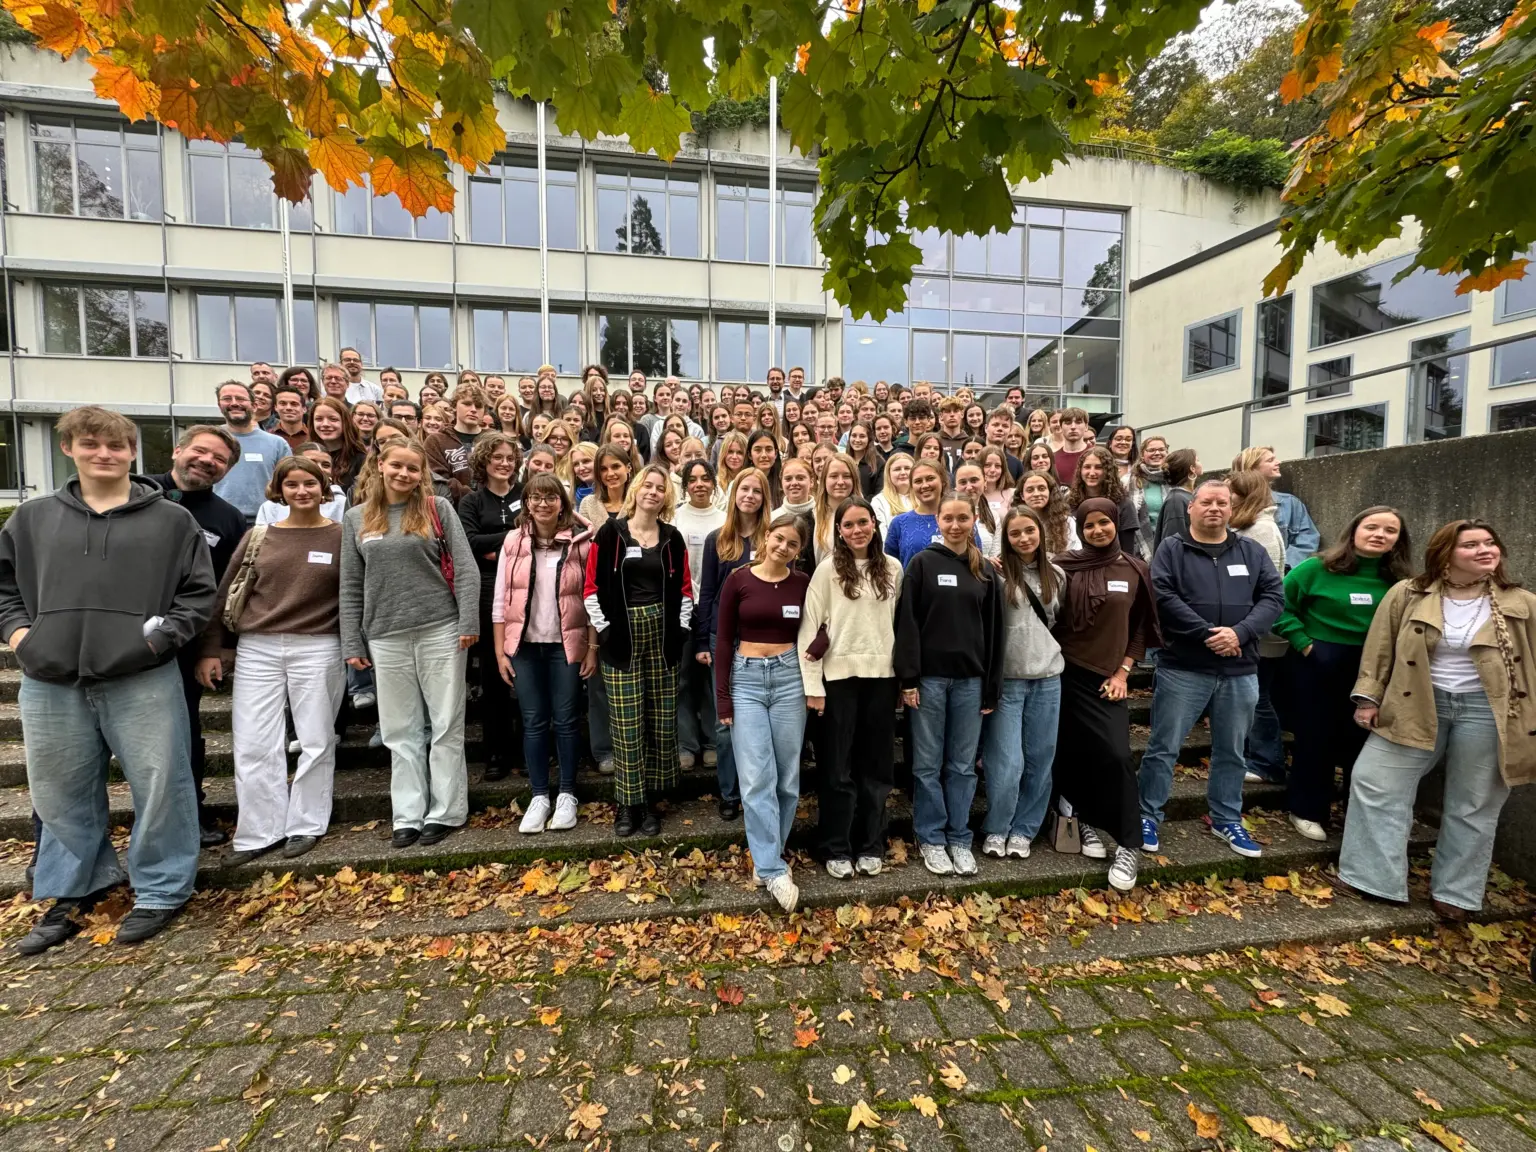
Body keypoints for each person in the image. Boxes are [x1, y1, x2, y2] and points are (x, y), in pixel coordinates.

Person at [2, 407, 216, 953]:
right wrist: (21, 637)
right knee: (59, 790)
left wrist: (156, 641)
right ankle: (73, 891)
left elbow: (197, 594)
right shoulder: (32, 518)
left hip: (140, 674)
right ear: (68, 448)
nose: (105, 453)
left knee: (160, 783)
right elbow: (4, 588)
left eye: (116, 446)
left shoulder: (171, 521)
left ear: (132, 453)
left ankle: (163, 889)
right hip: (50, 677)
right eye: (92, 444)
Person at [1341, 519, 1536, 920]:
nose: (1485, 550)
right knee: (1376, 781)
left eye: (1490, 543)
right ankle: (1373, 877)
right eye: (1471, 545)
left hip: (1489, 710)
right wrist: (1368, 698)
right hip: (1414, 702)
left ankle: (1457, 893)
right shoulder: (1410, 594)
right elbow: (1379, 648)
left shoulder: (1521, 602)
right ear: (1445, 554)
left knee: (1474, 803)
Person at [198, 455, 344, 865]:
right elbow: (228, 591)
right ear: (279, 490)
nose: (302, 491)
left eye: (310, 483)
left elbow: (352, 594)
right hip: (258, 645)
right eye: (293, 484)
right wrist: (215, 647)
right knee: (253, 740)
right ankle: (259, 831)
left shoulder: (340, 535)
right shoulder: (259, 535)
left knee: (315, 739)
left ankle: (306, 823)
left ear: (323, 487)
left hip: (318, 643)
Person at [340, 439, 480, 849]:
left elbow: (467, 569)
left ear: (422, 473)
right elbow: (350, 585)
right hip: (385, 633)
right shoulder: (356, 519)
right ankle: (407, 814)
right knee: (400, 729)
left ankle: (446, 810)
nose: (404, 474)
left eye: (412, 468)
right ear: (380, 466)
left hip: (440, 627)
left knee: (445, 723)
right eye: (396, 466)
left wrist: (467, 621)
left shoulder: (438, 509)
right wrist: (353, 641)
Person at [1138, 478, 1284, 860]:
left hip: (1239, 668)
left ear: (1231, 510)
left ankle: (1225, 817)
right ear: (1191, 507)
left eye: (1222, 503)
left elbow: (1273, 596)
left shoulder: (1250, 552)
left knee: (1232, 750)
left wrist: (1241, 633)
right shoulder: (1171, 550)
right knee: (1163, 747)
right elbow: (1163, 595)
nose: (1214, 508)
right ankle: (1147, 814)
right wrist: (1206, 633)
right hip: (1184, 666)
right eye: (1206, 502)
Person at [1274, 505, 1411, 841]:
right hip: (1317, 664)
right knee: (1315, 737)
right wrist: (1305, 643)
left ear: (1398, 540)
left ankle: (1359, 812)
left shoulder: (1401, 581)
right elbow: (1277, 604)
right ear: (1354, 531)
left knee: (1364, 742)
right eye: (1372, 527)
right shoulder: (1316, 569)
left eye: (1390, 531)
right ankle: (1307, 809)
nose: (1380, 535)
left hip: (1373, 669)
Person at [894, 491, 1005, 877]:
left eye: (962, 518)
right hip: (929, 681)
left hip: (970, 681)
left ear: (974, 519)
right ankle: (931, 837)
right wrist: (907, 678)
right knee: (926, 764)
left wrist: (991, 685)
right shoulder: (922, 564)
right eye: (948, 519)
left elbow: (995, 633)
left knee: (961, 765)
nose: (955, 525)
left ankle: (959, 836)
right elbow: (906, 624)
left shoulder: (985, 571)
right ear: (937, 522)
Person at [1051, 498, 1159, 893]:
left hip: (1105, 679)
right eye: (1089, 525)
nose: (1097, 530)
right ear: (1079, 528)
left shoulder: (1134, 569)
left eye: (1103, 523)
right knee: (1070, 753)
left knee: (1115, 755)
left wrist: (1124, 671)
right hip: (1061, 673)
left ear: (1116, 524)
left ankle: (1129, 842)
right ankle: (1082, 820)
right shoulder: (1064, 566)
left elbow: (1142, 628)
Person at [147, 425, 247, 848]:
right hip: (111, 634)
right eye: (202, 452)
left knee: (185, 730)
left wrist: (213, 648)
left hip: (183, 643)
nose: (208, 462)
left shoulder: (227, 518)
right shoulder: (138, 493)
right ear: (178, 450)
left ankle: (193, 812)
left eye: (219, 459)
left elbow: (220, 591)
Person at [584, 465, 692, 837]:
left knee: (661, 720)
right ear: (636, 489)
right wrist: (607, 630)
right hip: (622, 637)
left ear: (667, 496)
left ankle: (651, 799)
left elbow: (686, 589)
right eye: (647, 484)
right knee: (628, 724)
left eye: (660, 487)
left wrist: (680, 630)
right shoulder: (611, 533)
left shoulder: (672, 538)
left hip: (663, 636)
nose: (653, 491)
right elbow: (591, 587)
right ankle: (628, 804)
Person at [800, 496, 902, 879]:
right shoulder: (826, 571)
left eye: (863, 522)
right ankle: (835, 846)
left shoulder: (893, 569)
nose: (857, 530)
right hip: (837, 681)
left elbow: (899, 626)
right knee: (837, 769)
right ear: (839, 532)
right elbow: (810, 631)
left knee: (875, 769)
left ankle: (870, 844)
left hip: (881, 679)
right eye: (849, 525)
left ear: (875, 524)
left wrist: (903, 679)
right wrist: (814, 686)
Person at [715, 513, 812, 911]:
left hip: (791, 678)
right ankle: (772, 868)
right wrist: (723, 697)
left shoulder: (803, 584)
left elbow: (820, 625)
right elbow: (722, 640)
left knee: (787, 780)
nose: (783, 547)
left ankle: (769, 852)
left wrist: (818, 646)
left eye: (792, 544)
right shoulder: (738, 580)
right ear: (766, 536)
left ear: (799, 551)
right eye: (779, 538)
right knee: (756, 779)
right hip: (747, 680)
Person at [492, 473, 596, 834]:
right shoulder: (513, 542)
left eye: (551, 497)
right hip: (524, 647)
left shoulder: (580, 543)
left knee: (566, 720)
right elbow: (500, 601)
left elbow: (591, 598)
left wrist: (592, 647)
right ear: (527, 503)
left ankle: (567, 793)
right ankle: (539, 795)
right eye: (535, 497)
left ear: (563, 504)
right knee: (533, 721)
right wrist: (500, 650)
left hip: (565, 645)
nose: (542, 504)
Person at [980, 505, 1064, 859]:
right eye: (1015, 533)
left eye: (1029, 531)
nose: (1023, 538)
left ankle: (1025, 829)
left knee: (1040, 758)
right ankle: (998, 826)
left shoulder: (1056, 574)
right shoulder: (996, 577)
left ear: (1040, 532)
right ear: (1006, 539)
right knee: (1006, 762)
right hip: (1010, 681)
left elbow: (1059, 620)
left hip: (1047, 678)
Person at [696, 468, 770, 819]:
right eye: (744, 488)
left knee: (759, 723)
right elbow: (707, 592)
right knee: (726, 722)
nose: (750, 495)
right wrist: (702, 641)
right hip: (721, 639)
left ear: (764, 498)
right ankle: (729, 792)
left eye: (757, 490)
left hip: (763, 640)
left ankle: (758, 789)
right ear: (735, 493)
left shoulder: (773, 537)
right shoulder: (718, 539)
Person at [458, 433, 525, 782]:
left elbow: (537, 532)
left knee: (524, 675)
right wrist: (512, 540)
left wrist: (495, 548)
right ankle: (496, 753)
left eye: (510, 458)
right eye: (497, 457)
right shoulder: (471, 501)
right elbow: (467, 543)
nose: (504, 463)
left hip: (527, 591)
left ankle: (527, 749)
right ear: (484, 460)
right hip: (486, 593)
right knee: (493, 679)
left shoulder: (525, 496)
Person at [1228, 469, 1290, 787]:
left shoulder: (1260, 530)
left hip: (1252, 628)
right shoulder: (1251, 525)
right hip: (1248, 625)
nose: (1227, 498)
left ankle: (1267, 762)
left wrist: (1243, 625)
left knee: (1259, 697)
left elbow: (1261, 584)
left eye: (1232, 493)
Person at [674, 460, 725, 773]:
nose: (699, 485)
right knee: (681, 680)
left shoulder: (724, 519)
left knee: (710, 679)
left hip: (712, 608)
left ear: (714, 483)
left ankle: (711, 741)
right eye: (692, 480)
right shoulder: (675, 517)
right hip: (682, 608)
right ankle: (686, 744)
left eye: (705, 478)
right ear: (685, 486)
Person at [212, 381, 289, 525]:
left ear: (254, 406)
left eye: (241, 399)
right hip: (217, 521)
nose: (234, 403)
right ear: (219, 405)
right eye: (227, 399)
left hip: (265, 523)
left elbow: (288, 485)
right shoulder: (208, 440)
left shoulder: (277, 444)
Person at [1233, 446, 1321, 572]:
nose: (1278, 462)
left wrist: (1284, 565)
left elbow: (1307, 539)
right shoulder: (1227, 502)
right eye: (1270, 460)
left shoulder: (1290, 503)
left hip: (1279, 577)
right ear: (1252, 468)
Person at [1068, 446, 1143, 558]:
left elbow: (1127, 551)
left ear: (1108, 471)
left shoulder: (1124, 504)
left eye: (1098, 467)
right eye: (1087, 467)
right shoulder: (1070, 502)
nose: (1092, 473)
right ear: (1080, 470)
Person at [424, 383, 488, 503]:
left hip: (490, 510)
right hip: (452, 509)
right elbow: (439, 480)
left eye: (479, 406)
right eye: (467, 404)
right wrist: (473, 500)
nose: (473, 409)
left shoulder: (494, 439)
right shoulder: (436, 441)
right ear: (454, 406)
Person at [884, 460, 948, 568]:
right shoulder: (899, 523)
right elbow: (890, 568)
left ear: (942, 481)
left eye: (930, 478)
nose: (925, 485)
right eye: (918, 481)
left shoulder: (959, 518)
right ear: (912, 487)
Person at [307, 396, 366, 493]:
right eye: (319, 419)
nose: (325, 424)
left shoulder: (361, 460)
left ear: (345, 422)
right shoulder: (304, 455)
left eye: (333, 419)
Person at [1152, 448, 1200, 549]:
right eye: (1197, 460)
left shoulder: (1185, 497)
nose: (1200, 463)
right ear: (1192, 468)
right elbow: (1173, 544)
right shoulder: (1176, 500)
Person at [871, 452, 913, 536]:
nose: (903, 472)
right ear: (888, 474)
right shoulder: (879, 501)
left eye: (907, 468)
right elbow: (882, 537)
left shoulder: (924, 498)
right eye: (897, 469)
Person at [1052, 407, 1092, 486]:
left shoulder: (1097, 455)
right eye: (1068, 422)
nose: (1073, 427)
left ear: (1086, 426)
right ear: (1061, 427)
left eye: (1078, 422)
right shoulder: (1052, 458)